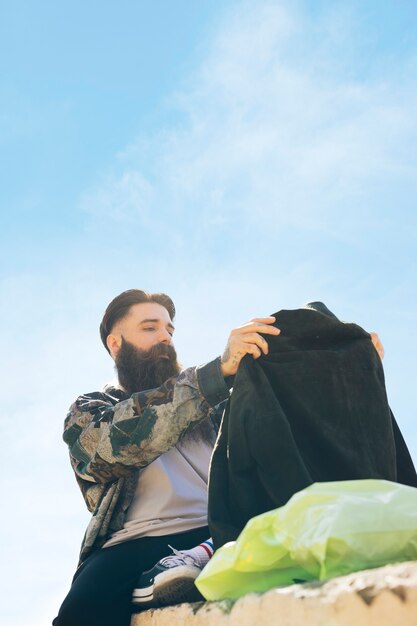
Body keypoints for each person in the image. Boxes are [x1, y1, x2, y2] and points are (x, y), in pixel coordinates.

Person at [53, 289, 280, 626]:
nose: (165, 338)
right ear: (115, 344)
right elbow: (110, 447)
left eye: (169, 330)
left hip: (217, 528)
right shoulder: (90, 411)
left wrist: (351, 369)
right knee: (79, 614)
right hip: (134, 542)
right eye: (150, 328)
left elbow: (275, 442)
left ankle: (208, 551)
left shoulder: (214, 408)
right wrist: (214, 375)